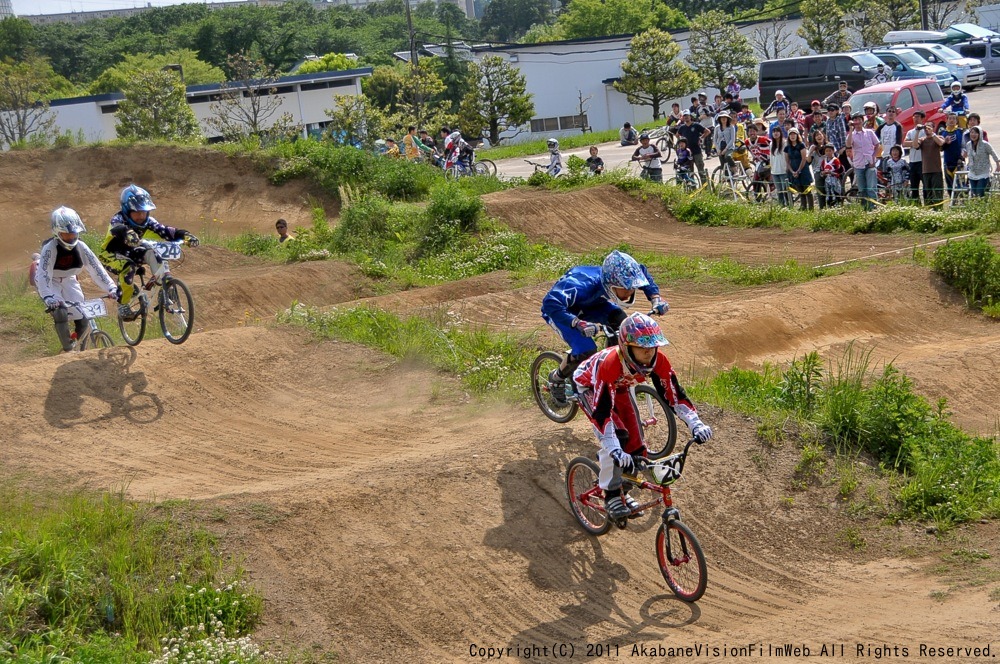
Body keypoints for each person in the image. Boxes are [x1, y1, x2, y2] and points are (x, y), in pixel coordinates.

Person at [571, 312, 712, 520]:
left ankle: (623, 490)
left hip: (620, 387)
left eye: (653, 347)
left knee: (637, 446)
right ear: (627, 347)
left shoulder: (659, 360)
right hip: (590, 386)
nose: (649, 353)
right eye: (642, 348)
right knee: (617, 439)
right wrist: (614, 448)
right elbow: (601, 413)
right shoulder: (610, 363)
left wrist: (696, 424)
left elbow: (674, 395)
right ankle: (611, 495)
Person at [540, 250, 669, 402]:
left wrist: (655, 298)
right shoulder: (580, 285)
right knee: (585, 349)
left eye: (632, 288)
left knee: (625, 329)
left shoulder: (619, 275)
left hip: (594, 305)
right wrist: (577, 322)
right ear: (610, 284)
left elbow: (642, 273)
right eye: (626, 288)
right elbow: (550, 304)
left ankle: (611, 369)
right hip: (563, 312)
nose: (630, 292)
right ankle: (556, 378)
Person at [100, 185, 199, 321]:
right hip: (110, 255)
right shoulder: (118, 219)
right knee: (128, 267)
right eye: (137, 212)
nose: (141, 216)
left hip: (132, 252)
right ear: (127, 211)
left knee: (152, 252)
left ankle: (163, 285)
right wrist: (129, 234)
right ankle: (122, 304)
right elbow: (119, 229)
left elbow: (165, 231)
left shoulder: (148, 222)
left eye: (144, 212)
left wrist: (185, 235)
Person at [37, 207, 118, 352]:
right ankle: (68, 349)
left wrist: (111, 288)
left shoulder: (81, 247)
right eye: (66, 234)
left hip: (70, 280)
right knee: (60, 311)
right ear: (57, 232)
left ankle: (79, 344)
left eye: (73, 233)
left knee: (83, 313)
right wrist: (48, 297)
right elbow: (43, 274)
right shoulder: (50, 248)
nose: (71, 237)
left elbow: (96, 268)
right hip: (51, 282)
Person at [846, 112, 882, 210]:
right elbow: (848, 144)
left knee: (871, 188)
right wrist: (850, 129)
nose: (857, 122)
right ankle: (865, 209)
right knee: (862, 189)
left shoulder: (869, 132)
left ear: (862, 120)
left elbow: (877, 145)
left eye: (859, 119)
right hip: (859, 164)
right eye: (855, 120)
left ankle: (873, 208)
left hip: (870, 163)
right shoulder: (852, 134)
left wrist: (874, 158)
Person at [670, 110, 710, 184]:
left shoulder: (696, 125)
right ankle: (693, 189)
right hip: (687, 153)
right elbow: (677, 135)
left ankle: (705, 188)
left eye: (687, 116)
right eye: (684, 116)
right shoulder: (682, 127)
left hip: (696, 151)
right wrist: (681, 143)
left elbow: (707, 131)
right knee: (690, 173)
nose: (686, 117)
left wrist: (701, 138)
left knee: (701, 171)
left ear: (690, 116)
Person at [914, 115, 946, 206]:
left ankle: (939, 209)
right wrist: (917, 131)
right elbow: (915, 145)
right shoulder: (922, 140)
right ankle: (929, 211)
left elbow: (941, 143)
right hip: (925, 171)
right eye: (926, 127)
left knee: (937, 194)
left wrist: (932, 133)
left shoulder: (938, 137)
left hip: (936, 170)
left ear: (933, 128)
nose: (926, 129)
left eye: (929, 127)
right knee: (928, 195)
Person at [962, 127, 1000, 197]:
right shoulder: (968, 144)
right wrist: (964, 155)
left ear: (980, 134)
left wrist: (998, 165)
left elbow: (993, 153)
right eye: (972, 132)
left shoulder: (985, 144)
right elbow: (968, 155)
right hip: (972, 173)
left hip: (983, 173)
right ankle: (978, 207)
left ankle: (984, 206)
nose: (973, 134)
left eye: (976, 133)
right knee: (974, 194)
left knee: (980, 193)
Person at [904, 110, 929, 203]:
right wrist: (916, 142)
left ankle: (927, 204)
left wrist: (915, 142)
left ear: (922, 118)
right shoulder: (910, 132)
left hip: (923, 161)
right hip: (912, 162)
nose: (916, 119)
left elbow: (925, 141)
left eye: (918, 116)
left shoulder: (926, 130)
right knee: (914, 186)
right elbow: (905, 143)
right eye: (914, 117)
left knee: (925, 185)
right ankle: (916, 204)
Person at [786, 127, 814, 210]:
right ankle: (803, 207)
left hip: (803, 169)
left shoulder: (801, 145)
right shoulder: (787, 147)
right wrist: (792, 171)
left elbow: (803, 158)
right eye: (791, 134)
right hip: (793, 170)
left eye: (794, 134)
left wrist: (798, 170)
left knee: (807, 190)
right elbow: (787, 161)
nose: (792, 136)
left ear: (797, 135)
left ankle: (811, 208)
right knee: (800, 190)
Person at [940, 113, 965, 196]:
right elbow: (940, 148)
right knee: (950, 185)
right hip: (947, 162)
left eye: (954, 119)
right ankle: (952, 202)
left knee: (960, 184)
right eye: (949, 118)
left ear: (956, 121)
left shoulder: (960, 131)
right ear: (946, 120)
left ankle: (962, 203)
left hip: (958, 162)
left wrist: (961, 158)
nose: (951, 120)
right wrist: (945, 143)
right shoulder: (942, 133)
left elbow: (964, 147)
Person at [770, 126, 790, 207]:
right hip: (774, 171)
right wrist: (771, 169)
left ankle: (789, 205)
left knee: (785, 190)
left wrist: (788, 168)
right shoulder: (771, 144)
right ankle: (781, 206)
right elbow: (771, 157)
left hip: (783, 170)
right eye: (774, 131)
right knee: (779, 191)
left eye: (777, 131)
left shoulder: (785, 143)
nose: (775, 133)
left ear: (781, 133)